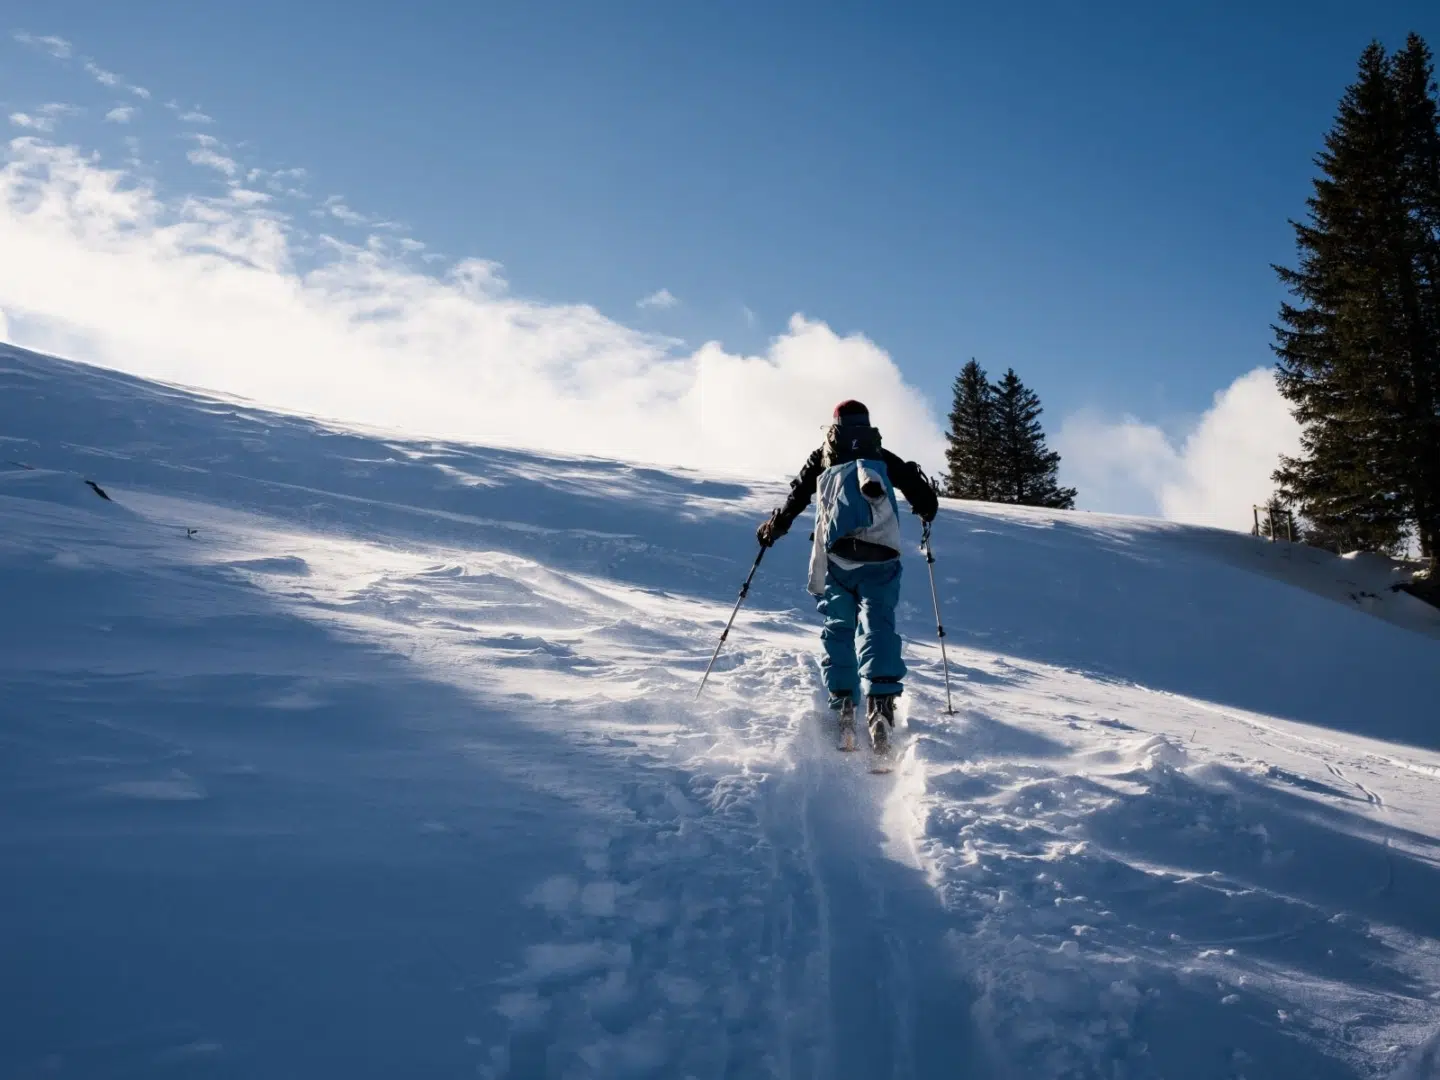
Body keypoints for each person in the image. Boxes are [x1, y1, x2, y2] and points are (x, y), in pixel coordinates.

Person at [756, 400, 939, 751]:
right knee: (878, 622)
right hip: (882, 555)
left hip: (837, 557)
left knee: (839, 625)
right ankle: (881, 705)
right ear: (867, 424)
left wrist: (772, 530)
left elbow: (796, 499)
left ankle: (844, 704)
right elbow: (924, 499)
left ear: (834, 425)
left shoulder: (822, 458)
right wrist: (924, 508)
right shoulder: (882, 456)